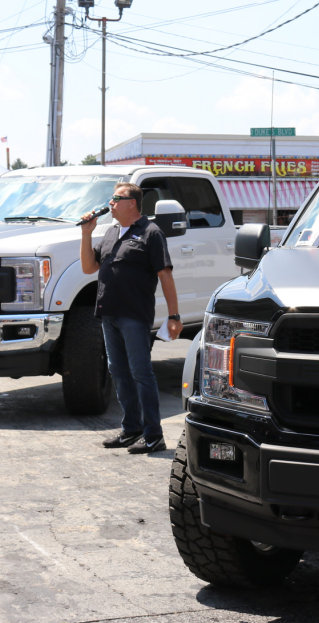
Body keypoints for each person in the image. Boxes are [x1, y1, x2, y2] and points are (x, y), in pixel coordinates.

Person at [79, 182, 183, 454]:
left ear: (133, 203)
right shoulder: (112, 232)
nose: (111, 203)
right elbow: (89, 267)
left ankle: (153, 435)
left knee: (141, 373)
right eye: (111, 198)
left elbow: (165, 275)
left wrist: (174, 315)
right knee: (119, 371)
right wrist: (86, 235)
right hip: (108, 314)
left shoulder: (151, 233)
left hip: (134, 315)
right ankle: (131, 429)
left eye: (117, 198)